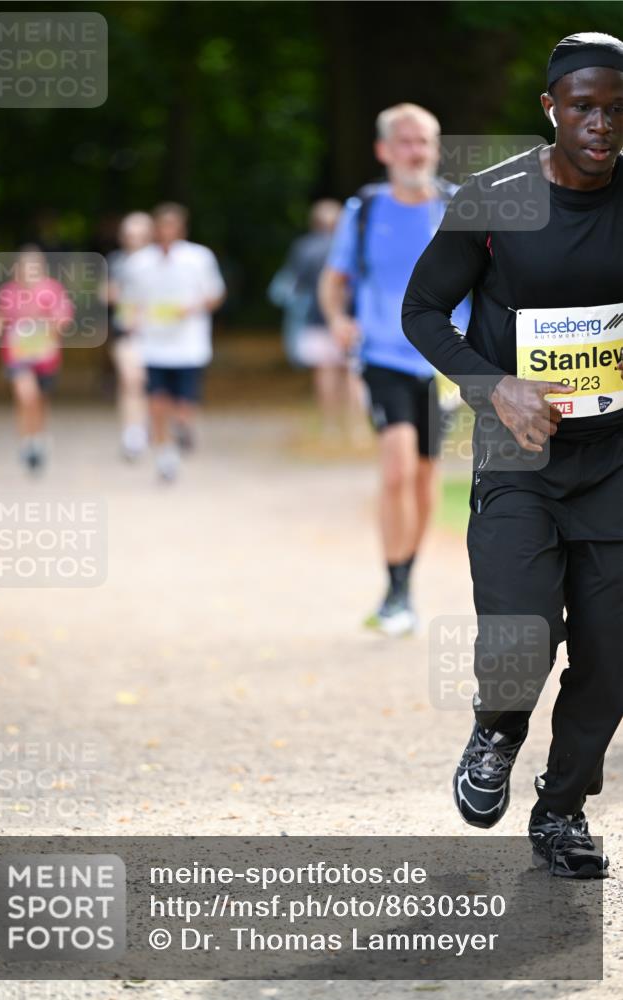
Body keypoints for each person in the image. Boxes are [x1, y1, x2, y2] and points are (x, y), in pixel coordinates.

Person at [402, 32, 623, 878]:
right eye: (583, 107)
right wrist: (494, 385)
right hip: (517, 456)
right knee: (521, 632)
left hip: (611, 461)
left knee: (608, 659)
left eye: (614, 110)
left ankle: (561, 809)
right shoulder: (494, 201)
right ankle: (496, 729)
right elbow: (423, 313)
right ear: (550, 109)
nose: (600, 125)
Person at [319, 103, 470, 635]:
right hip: (382, 355)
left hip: (443, 363)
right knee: (397, 466)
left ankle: (405, 580)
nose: (417, 151)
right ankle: (394, 586)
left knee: (427, 472)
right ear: (384, 150)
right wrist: (338, 319)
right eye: (406, 142)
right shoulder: (363, 210)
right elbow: (334, 280)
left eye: (425, 141)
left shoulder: (459, 207)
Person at [122, 202, 226, 482]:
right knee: (157, 401)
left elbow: (215, 294)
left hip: (189, 344)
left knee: (184, 404)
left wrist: (193, 308)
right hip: (154, 343)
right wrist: (132, 320)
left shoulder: (199, 258)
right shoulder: (139, 263)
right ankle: (165, 454)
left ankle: (183, 427)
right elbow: (130, 301)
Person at [269, 200, 365, 441]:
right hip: (355, 317)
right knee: (354, 374)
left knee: (325, 372)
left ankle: (330, 428)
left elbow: (294, 284)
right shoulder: (354, 244)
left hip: (317, 317)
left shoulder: (304, 247)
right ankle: (358, 428)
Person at [0, 246, 74, 473]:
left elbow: (63, 319)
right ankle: (26, 442)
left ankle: (38, 437)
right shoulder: (9, 292)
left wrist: (50, 322)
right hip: (17, 355)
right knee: (25, 394)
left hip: (45, 356)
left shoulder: (53, 290)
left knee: (40, 400)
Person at [104, 211, 154, 460]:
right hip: (126, 329)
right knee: (129, 379)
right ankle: (132, 431)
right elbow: (107, 293)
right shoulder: (116, 261)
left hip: (156, 332)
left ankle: (148, 424)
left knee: (147, 381)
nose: (133, 239)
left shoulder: (160, 261)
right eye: (129, 235)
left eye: (139, 235)